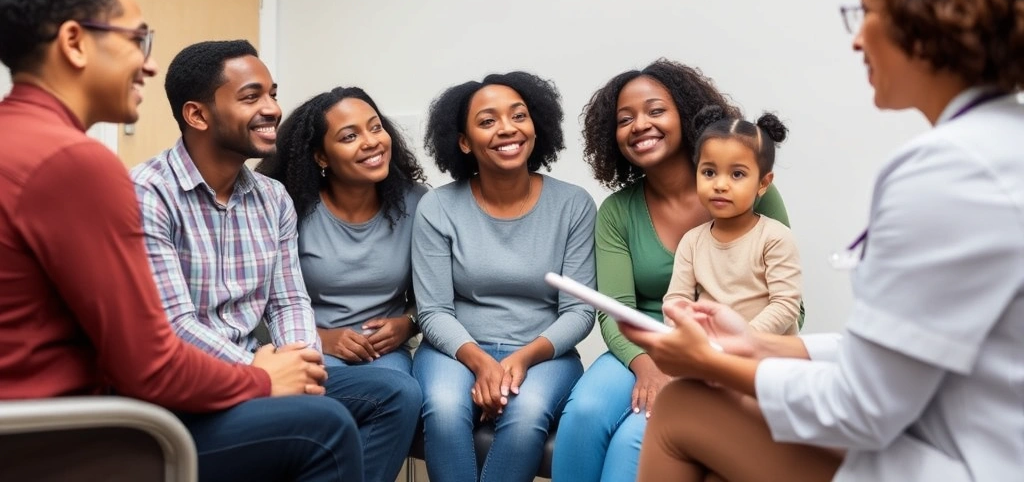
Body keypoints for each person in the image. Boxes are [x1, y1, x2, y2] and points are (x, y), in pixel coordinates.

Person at [621, 0, 1024, 480]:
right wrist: (753, 348)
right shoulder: (998, 144)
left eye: (867, 12)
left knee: (686, 404)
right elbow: (895, 352)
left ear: (925, 16)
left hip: (965, 460)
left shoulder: (948, 171)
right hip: (968, 433)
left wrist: (710, 362)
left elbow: (863, 408)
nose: (857, 37)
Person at [0, 0, 361, 482]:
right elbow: (151, 366)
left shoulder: (18, 140)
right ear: (75, 42)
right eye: (135, 40)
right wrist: (262, 378)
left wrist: (286, 364)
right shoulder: (74, 163)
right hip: (61, 440)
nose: (147, 64)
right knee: (323, 428)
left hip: (34, 426)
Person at [131, 40, 418, 482]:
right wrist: (261, 375)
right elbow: (174, 324)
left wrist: (301, 365)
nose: (272, 109)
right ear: (197, 115)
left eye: (272, 93)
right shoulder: (148, 193)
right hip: (184, 392)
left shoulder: (272, 198)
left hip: (262, 370)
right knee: (324, 425)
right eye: (252, 97)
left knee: (395, 392)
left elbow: (287, 302)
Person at [552, 59, 794, 482]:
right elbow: (614, 310)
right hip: (642, 341)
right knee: (585, 414)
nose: (640, 125)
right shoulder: (617, 212)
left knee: (637, 434)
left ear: (685, 113)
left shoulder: (752, 193)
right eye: (625, 119)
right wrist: (649, 365)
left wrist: (727, 351)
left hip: (730, 348)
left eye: (656, 110)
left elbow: (792, 304)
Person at [412, 72, 597, 482]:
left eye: (519, 116)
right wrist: (481, 363)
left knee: (527, 413)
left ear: (536, 126)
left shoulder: (574, 205)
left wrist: (521, 358)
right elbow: (434, 309)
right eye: (487, 121)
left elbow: (579, 311)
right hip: (455, 351)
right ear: (463, 141)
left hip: (543, 353)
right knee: (443, 411)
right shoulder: (438, 207)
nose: (507, 129)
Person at [257, 86, 427, 375]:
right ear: (322, 157)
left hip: (384, 355)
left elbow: (436, 294)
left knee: (401, 393)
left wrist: (407, 324)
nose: (371, 142)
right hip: (308, 348)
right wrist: (323, 338)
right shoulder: (289, 208)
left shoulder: (417, 203)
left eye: (376, 128)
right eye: (350, 136)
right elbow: (258, 300)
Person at [663, 110, 801, 335]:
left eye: (737, 174)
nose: (720, 185)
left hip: (768, 356)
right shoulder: (692, 241)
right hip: (712, 355)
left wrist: (745, 339)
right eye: (709, 172)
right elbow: (677, 299)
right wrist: (686, 328)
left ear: (763, 183)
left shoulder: (775, 238)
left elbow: (785, 305)